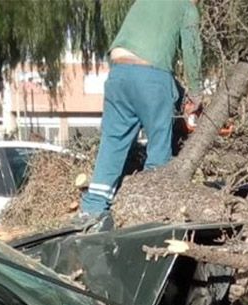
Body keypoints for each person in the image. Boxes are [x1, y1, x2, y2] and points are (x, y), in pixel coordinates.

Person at [77, 0, 202, 223]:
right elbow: (192, 49)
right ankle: (151, 208)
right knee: (159, 145)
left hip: (118, 74)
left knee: (113, 142)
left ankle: (92, 209)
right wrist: (195, 93)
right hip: (152, 76)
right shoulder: (187, 7)